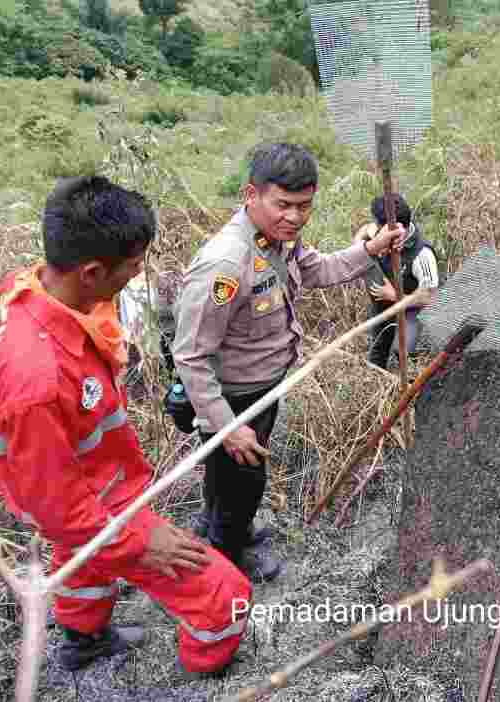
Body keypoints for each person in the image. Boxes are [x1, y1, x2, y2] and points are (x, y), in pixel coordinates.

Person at [0, 176, 251, 676]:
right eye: (132, 264)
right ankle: (206, 671)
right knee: (226, 594)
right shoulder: (37, 378)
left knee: (80, 561)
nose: (138, 272)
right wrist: (136, 541)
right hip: (89, 498)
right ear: (91, 271)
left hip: (83, 479)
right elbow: (59, 506)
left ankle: (84, 640)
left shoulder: (31, 289)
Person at [171, 143, 404, 582]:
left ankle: (219, 521)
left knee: (228, 478)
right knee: (245, 479)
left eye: (304, 206)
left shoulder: (278, 241)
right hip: (234, 399)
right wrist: (226, 426)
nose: (295, 217)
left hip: (264, 386)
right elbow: (191, 354)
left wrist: (371, 249)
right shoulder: (226, 263)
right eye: (283, 205)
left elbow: (319, 270)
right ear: (251, 195)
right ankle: (225, 563)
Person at [355, 193, 440, 369]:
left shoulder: (422, 254)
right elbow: (363, 232)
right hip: (383, 306)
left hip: (411, 309)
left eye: (378, 224)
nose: (376, 227)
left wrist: (395, 295)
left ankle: (409, 380)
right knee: (377, 348)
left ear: (397, 227)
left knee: (402, 351)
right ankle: (377, 377)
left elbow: (429, 297)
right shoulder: (378, 230)